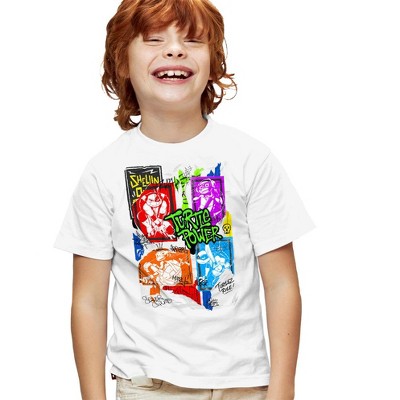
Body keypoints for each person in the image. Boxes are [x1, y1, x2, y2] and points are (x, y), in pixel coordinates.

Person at [53, 0, 315, 399]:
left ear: (213, 62)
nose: (175, 50)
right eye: (154, 39)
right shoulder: (103, 172)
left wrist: (282, 391)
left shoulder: (251, 159)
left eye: (192, 40)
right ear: (122, 62)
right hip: (147, 386)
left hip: (243, 385)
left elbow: (281, 285)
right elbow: (88, 300)